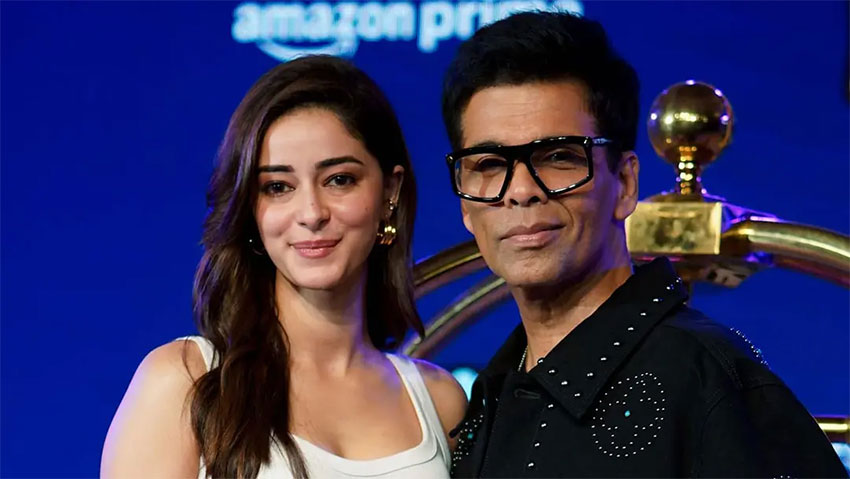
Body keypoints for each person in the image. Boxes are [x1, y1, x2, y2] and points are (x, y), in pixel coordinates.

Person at [440, 11, 847, 478]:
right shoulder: (485, 401)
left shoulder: (711, 382)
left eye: (558, 157)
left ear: (626, 183)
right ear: (464, 203)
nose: (520, 190)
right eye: (490, 164)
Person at [102, 55, 467, 479]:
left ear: (390, 191)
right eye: (278, 187)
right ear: (250, 209)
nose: (311, 213)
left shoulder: (440, 402)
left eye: (339, 180)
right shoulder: (185, 382)